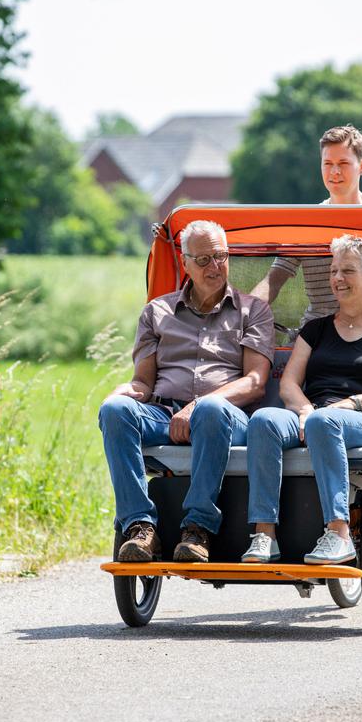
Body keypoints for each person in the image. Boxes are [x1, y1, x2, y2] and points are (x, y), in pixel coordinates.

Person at [99, 219, 274, 564]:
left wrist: (200, 403)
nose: (216, 266)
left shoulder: (253, 311)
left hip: (224, 417)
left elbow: (255, 382)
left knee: (210, 411)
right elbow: (143, 383)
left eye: (221, 256)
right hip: (163, 413)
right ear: (185, 263)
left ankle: (197, 528)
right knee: (115, 411)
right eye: (205, 259)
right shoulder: (156, 312)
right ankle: (139, 528)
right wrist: (121, 394)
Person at [241, 235, 362, 565]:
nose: (338, 279)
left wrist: (352, 403)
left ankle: (338, 533)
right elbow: (290, 383)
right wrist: (306, 410)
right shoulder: (316, 329)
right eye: (334, 271)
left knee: (326, 420)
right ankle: (265, 535)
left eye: (348, 271)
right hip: (314, 415)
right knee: (264, 419)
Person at [251, 124, 362, 325]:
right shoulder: (307, 222)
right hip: (316, 332)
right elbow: (273, 280)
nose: (334, 171)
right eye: (328, 163)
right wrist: (244, 312)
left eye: (343, 163)